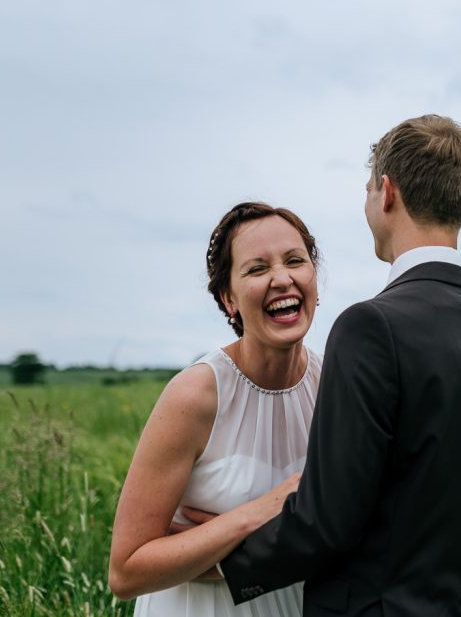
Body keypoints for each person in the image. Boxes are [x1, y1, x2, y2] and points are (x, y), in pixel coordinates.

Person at [202, 114, 461, 616]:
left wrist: (215, 562)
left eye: (367, 189)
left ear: (386, 193)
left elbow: (326, 520)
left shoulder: (371, 327)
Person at [108, 201, 322, 616]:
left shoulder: (333, 385)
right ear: (229, 299)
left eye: (295, 260)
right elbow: (127, 571)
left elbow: (343, 535)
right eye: (257, 269)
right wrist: (255, 514)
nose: (282, 278)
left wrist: (216, 550)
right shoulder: (197, 394)